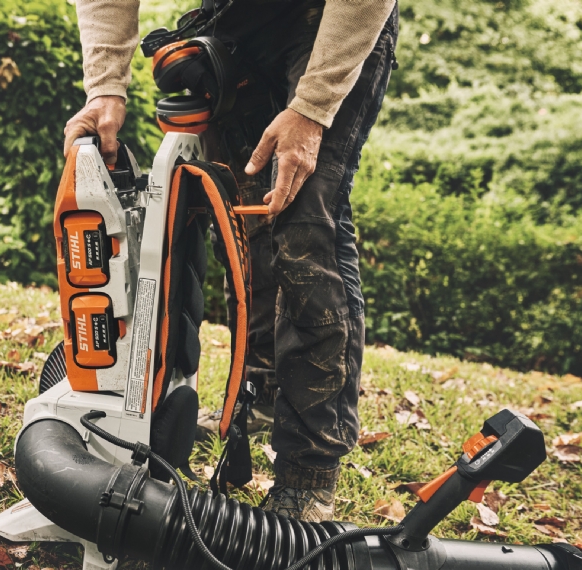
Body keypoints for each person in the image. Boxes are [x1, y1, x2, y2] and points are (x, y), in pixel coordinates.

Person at [64, 0, 399, 522]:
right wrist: (105, 85)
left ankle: (310, 472)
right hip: (237, 22)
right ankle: (262, 395)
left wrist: (311, 109)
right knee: (240, 216)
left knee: (306, 224)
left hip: (331, 21)